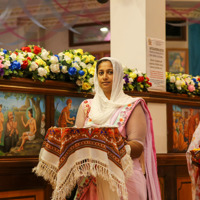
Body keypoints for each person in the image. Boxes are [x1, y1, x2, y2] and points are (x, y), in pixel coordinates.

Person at [74, 57, 161, 200]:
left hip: (125, 180)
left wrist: (108, 145)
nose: (105, 77)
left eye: (110, 72)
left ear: (119, 75)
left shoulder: (131, 105)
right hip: (92, 179)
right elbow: (77, 140)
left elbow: (138, 147)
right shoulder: (86, 106)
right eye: (101, 73)